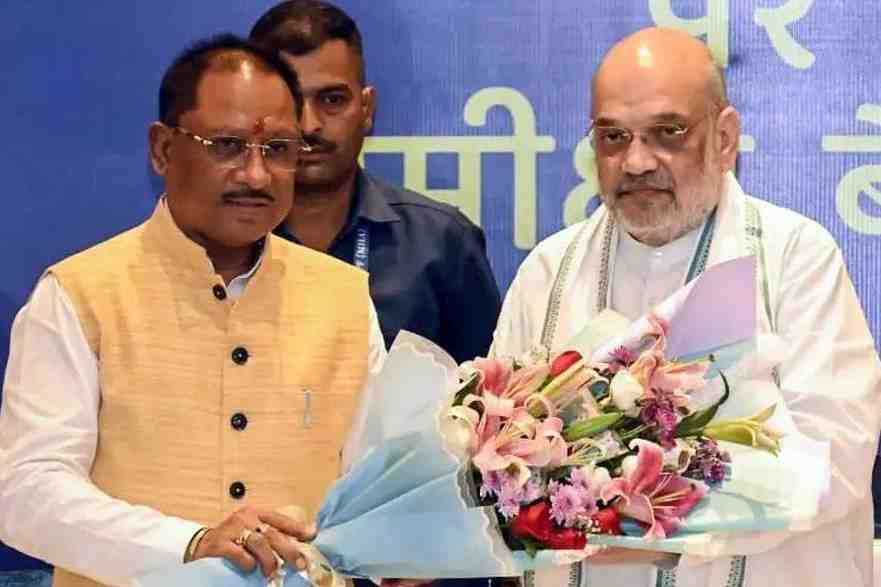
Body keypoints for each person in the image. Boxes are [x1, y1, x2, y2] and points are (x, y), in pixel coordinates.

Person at [491, 27, 881, 587]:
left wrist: (649, 522)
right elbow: (498, 463)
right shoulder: (548, 273)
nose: (636, 162)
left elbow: (835, 459)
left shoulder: (794, 258)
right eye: (613, 137)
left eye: (667, 133)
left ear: (724, 138)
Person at [0, 34, 386, 587]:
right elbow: (26, 490)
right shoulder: (79, 294)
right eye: (227, 145)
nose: (256, 175)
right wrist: (187, 544)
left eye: (278, 149)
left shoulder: (343, 298)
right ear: (162, 149)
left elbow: (376, 486)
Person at [249, 0, 502, 364]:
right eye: (290, 102)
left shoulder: (442, 242)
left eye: (332, 100)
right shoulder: (220, 243)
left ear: (366, 109)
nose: (309, 125)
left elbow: (488, 391)